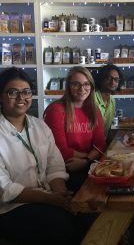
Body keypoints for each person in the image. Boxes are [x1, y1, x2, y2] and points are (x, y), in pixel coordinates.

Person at [0, 67, 80, 245]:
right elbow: (4, 189)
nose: (21, 97)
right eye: (13, 92)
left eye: (26, 91)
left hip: (48, 194)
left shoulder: (39, 126)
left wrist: (60, 192)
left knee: (84, 206)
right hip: (12, 207)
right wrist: (50, 199)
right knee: (61, 225)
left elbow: (55, 164)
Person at [44, 66, 106, 192]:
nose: (82, 89)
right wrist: (88, 158)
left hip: (88, 164)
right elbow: (60, 149)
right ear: (68, 86)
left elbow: (100, 145)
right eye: (76, 84)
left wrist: (86, 161)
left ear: (91, 86)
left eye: (86, 84)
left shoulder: (94, 110)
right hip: (64, 168)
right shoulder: (56, 110)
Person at [94, 64, 123, 143]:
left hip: (102, 144)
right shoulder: (92, 97)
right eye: (109, 78)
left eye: (116, 79)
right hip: (89, 145)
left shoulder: (112, 101)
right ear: (101, 78)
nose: (113, 82)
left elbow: (110, 128)